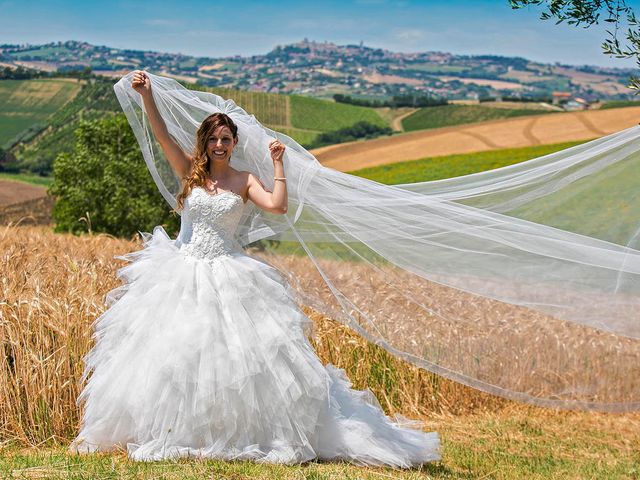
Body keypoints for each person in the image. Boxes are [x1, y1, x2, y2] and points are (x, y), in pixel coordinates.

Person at [69, 70, 441, 467]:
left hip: (228, 272)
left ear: (234, 143)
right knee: (174, 355)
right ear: (204, 142)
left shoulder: (244, 180)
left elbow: (277, 206)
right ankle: (175, 430)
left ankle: (235, 433)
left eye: (225, 139)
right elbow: (161, 135)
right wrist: (147, 97)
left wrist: (279, 165)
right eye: (212, 139)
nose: (218, 144)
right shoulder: (190, 172)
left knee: (236, 360)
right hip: (180, 270)